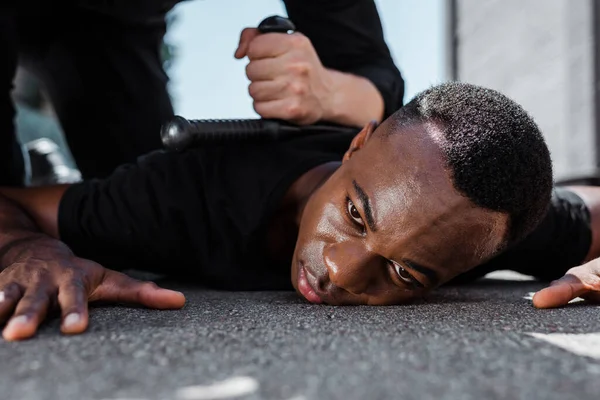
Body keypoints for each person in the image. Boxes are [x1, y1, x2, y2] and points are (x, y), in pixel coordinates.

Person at [0, 82, 598, 342]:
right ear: (356, 145)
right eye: (357, 216)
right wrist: (29, 249)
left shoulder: (479, 225)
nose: (339, 271)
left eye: (406, 275)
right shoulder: (180, 194)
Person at [1, 0, 403, 186]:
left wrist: (326, 92)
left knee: (144, 202)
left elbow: (376, 78)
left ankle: (48, 185)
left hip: (111, 27)